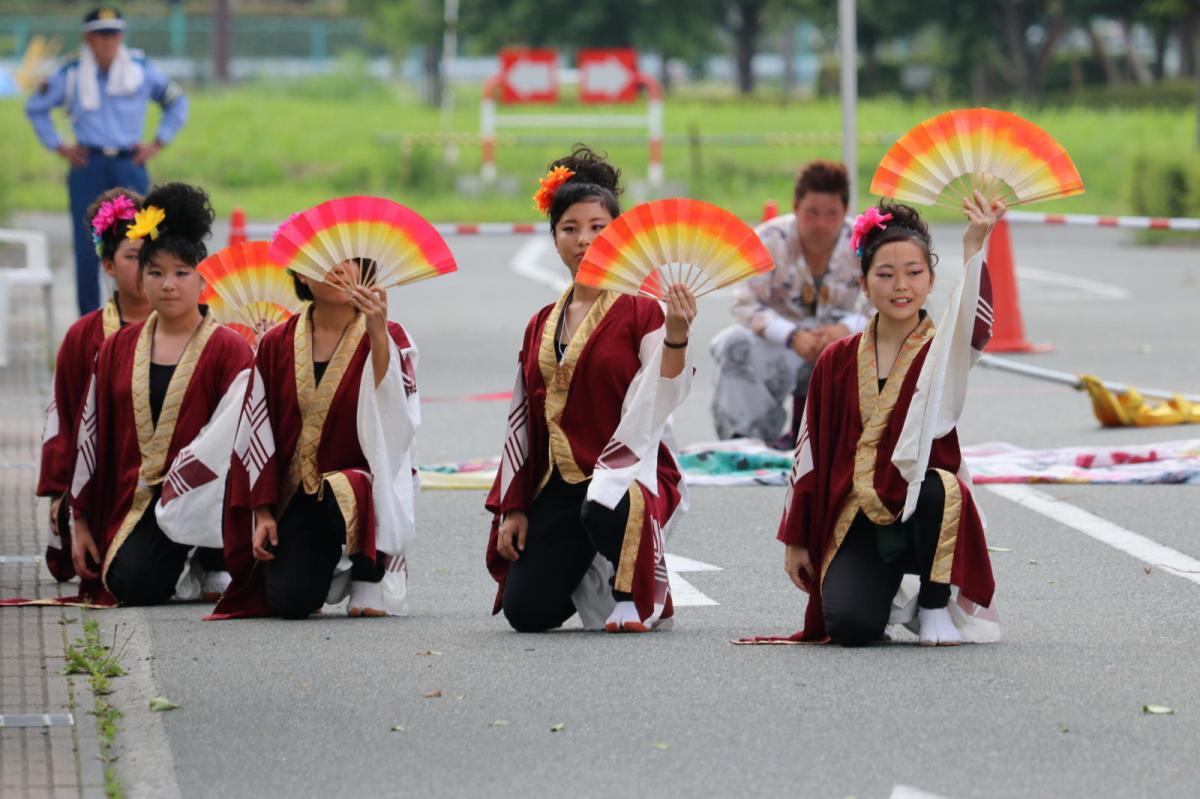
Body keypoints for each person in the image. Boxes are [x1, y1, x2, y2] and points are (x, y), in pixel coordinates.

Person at [772, 195, 1002, 647]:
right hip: (857, 515)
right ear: (863, 284)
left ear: (931, 279)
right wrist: (795, 539)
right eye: (885, 274)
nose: (901, 286)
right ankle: (885, 595)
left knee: (941, 487)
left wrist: (975, 245)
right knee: (850, 628)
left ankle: (934, 603)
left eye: (914, 273)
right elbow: (809, 454)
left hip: (923, 512)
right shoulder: (836, 360)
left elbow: (975, 326)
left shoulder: (944, 351)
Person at [485, 146, 697, 634]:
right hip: (560, 482)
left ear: (619, 234)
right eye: (570, 228)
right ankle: (587, 565)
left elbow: (667, 390)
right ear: (554, 238)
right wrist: (514, 506)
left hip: (629, 475)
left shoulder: (642, 310)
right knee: (527, 612)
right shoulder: (541, 322)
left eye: (598, 227)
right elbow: (523, 422)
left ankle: (631, 592)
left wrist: (677, 334)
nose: (584, 240)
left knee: (605, 498)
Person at [69, 183, 251, 606]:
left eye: (181, 273)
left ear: (202, 279)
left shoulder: (229, 348)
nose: (169, 285)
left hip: (210, 496)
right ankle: (182, 559)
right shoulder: (116, 347)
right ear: (141, 280)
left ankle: (211, 555)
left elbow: (244, 444)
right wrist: (80, 521)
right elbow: (93, 436)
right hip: (136, 499)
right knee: (129, 584)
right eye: (155, 273)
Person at [210, 257, 421, 620]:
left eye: (348, 260)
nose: (337, 269)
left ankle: (368, 572)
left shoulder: (391, 334)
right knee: (289, 602)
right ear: (301, 275)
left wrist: (377, 334)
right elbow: (256, 428)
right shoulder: (276, 342)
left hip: (361, 487)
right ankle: (326, 568)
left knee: (348, 486)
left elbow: (395, 417)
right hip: (297, 495)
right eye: (321, 261)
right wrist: (263, 509)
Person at [25, 6, 188, 315]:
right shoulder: (71, 73)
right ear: (88, 38)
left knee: (140, 243)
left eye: (113, 34)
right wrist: (58, 146)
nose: (107, 41)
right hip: (89, 165)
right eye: (100, 34)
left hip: (129, 165)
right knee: (87, 246)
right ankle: (89, 320)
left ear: (122, 36)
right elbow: (36, 106)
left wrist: (158, 141)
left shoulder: (140, 70)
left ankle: (137, 317)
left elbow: (177, 101)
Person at [37, 188, 152, 583]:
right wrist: (61, 496)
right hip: (103, 483)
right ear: (108, 265)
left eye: (152, 255)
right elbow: (63, 417)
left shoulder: (192, 330)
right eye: (132, 257)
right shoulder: (83, 336)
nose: (145, 268)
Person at [709, 160, 868, 448]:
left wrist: (845, 329)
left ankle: (849, 443)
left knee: (887, 347)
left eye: (831, 214)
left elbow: (885, 301)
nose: (821, 224)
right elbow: (745, 301)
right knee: (733, 344)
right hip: (781, 342)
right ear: (795, 206)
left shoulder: (863, 244)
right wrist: (792, 336)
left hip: (843, 345)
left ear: (845, 210)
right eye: (812, 212)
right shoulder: (769, 239)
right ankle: (744, 443)